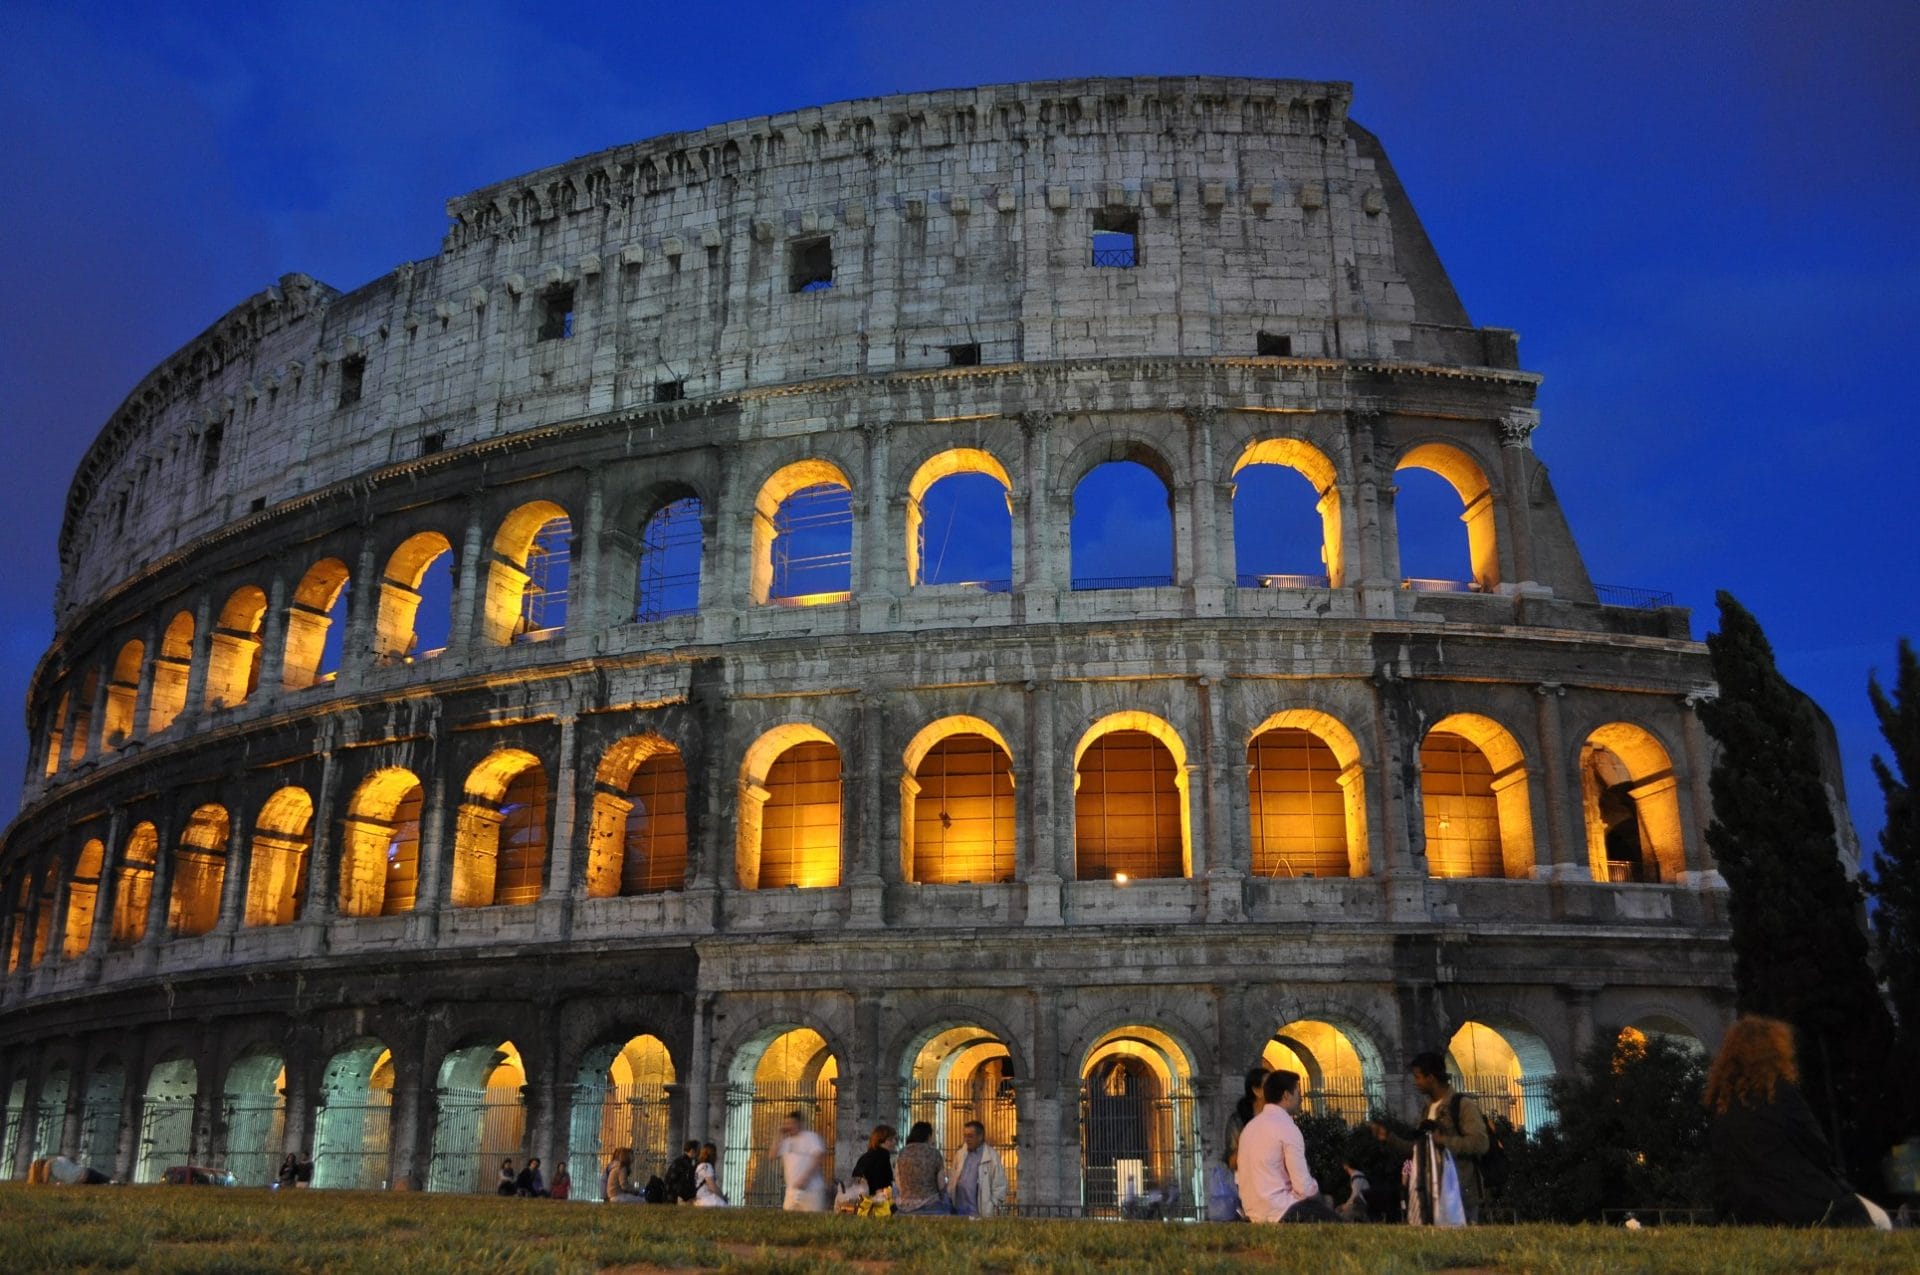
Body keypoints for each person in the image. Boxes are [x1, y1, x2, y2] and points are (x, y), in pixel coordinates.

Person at [1704, 1015, 1883, 1228]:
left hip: (1741, 1209)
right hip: (1793, 1204)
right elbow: (1818, 1147)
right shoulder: (1781, 1095)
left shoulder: (1720, 1103)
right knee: (1876, 1217)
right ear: (1775, 1053)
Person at [1370, 1051, 1489, 1223]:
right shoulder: (1427, 1109)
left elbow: (1480, 1143)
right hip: (1431, 1193)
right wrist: (1389, 1138)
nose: (1415, 1082)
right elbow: (1419, 1149)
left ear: (1431, 1077)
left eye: (1418, 1077)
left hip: (1459, 1194)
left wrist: (1444, 1142)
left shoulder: (1462, 1105)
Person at [1236, 1069, 1336, 1222]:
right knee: (1334, 1217)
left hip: (1253, 1211)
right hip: (1282, 1210)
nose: (1301, 1098)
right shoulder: (1286, 1127)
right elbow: (1304, 1188)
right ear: (1286, 1095)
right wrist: (1322, 1199)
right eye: (1298, 1092)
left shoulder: (1249, 1128)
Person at [946, 1120, 1009, 1218]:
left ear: (980, 1137)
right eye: (965, 1136)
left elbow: (1000, 1185)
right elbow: (952, 1179)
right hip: (959, 1213)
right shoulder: (960, 1154)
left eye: (970, 1136)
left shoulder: (991, 1157)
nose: (967, 1139)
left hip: (979, 1214)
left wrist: (991, 1206)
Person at [775, 1109, 830, 1212]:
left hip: (812, 1191)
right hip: (792, 1192)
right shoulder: (786, 1141)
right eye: (787, 1123)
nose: (790, 1126)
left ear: (799, 1123)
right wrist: (779, 1134)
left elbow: (818, 1157)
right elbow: (772, 1154)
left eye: (792, 1123)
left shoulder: (811, 1138)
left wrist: (804, 1178)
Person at [893, 1121, 951, 1215]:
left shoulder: (902, 1153)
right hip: (931, 1206)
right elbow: (941, 1184)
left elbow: (898, 1181)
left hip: (906, 1207)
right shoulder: (934, 1153)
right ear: (928, 1136)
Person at [851, 1124, 897, 1197]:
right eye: (890, 1139)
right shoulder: (883, 1156)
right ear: (880, 1141)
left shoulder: (865, 1156)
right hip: (876, 1201)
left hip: (862, 1200)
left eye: (895, 1139)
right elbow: (882, 1182)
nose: (894, 1142)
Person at [693, 1142, 730, 1206]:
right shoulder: (707, 1166)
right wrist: (723, 1197)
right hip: (706, 1198)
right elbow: (712, 1186)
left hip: (699, 1199)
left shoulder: (700, 1166)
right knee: (727, 1208)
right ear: (713, 1155)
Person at [665, 1139, 700, 1204]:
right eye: (698, 1151)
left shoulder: (682, 1162)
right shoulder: (683, 1163)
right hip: (679, 1199)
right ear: (692, 1151)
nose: (699, 1153)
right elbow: (671, 1180)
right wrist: (678, 1197)